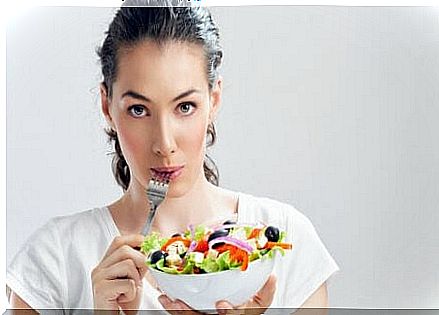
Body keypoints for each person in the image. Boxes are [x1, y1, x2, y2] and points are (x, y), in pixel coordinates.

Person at [6, 1, 339, 314]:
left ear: (214, 99)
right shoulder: (55, 259)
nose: (164, 143)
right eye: (139, 110)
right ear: (107, 106)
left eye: (185, 107)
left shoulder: (283, 240)